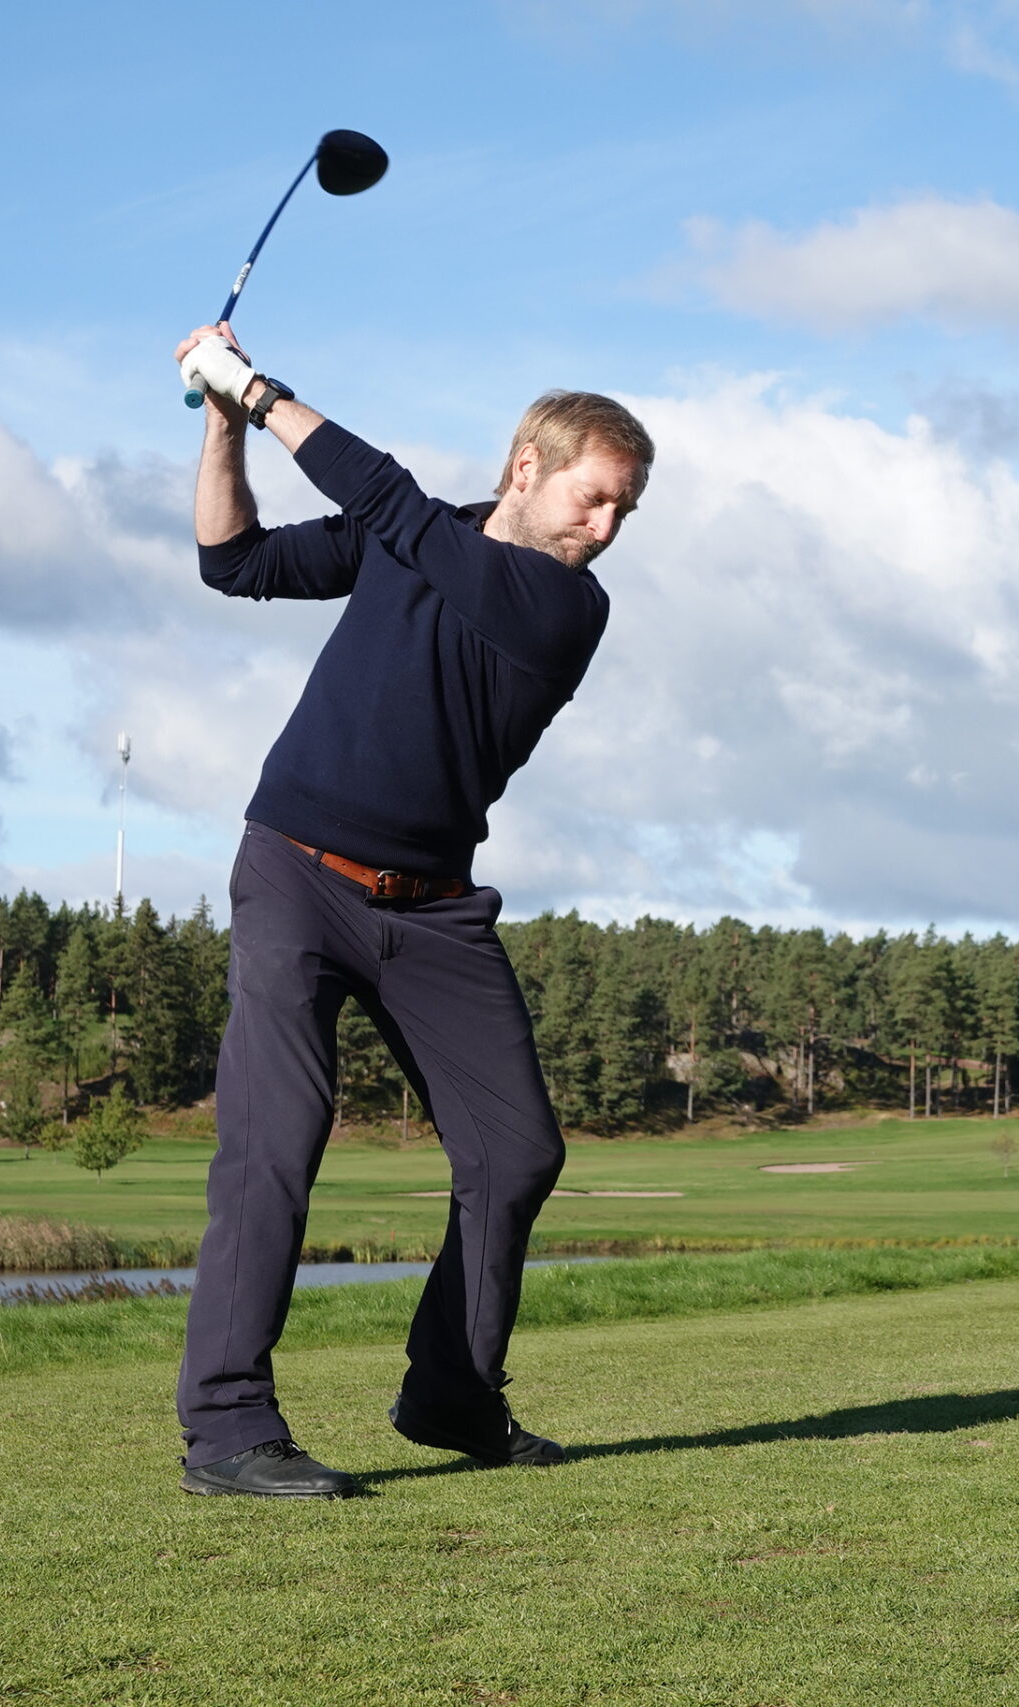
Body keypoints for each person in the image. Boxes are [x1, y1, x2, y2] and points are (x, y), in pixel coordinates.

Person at [169, 323, 650, 1498]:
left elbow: (386, 502)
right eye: (593, 498)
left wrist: (257, 388)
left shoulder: (561, 607)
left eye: (624, 512)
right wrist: (224, 427)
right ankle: (227, 1429)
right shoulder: (415, 532)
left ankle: (449, 1395)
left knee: (516, 1150)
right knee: (276, 1139)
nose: (605, 528)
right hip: (295, 872)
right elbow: (232, 561)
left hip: (433, 914)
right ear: (527, 467)